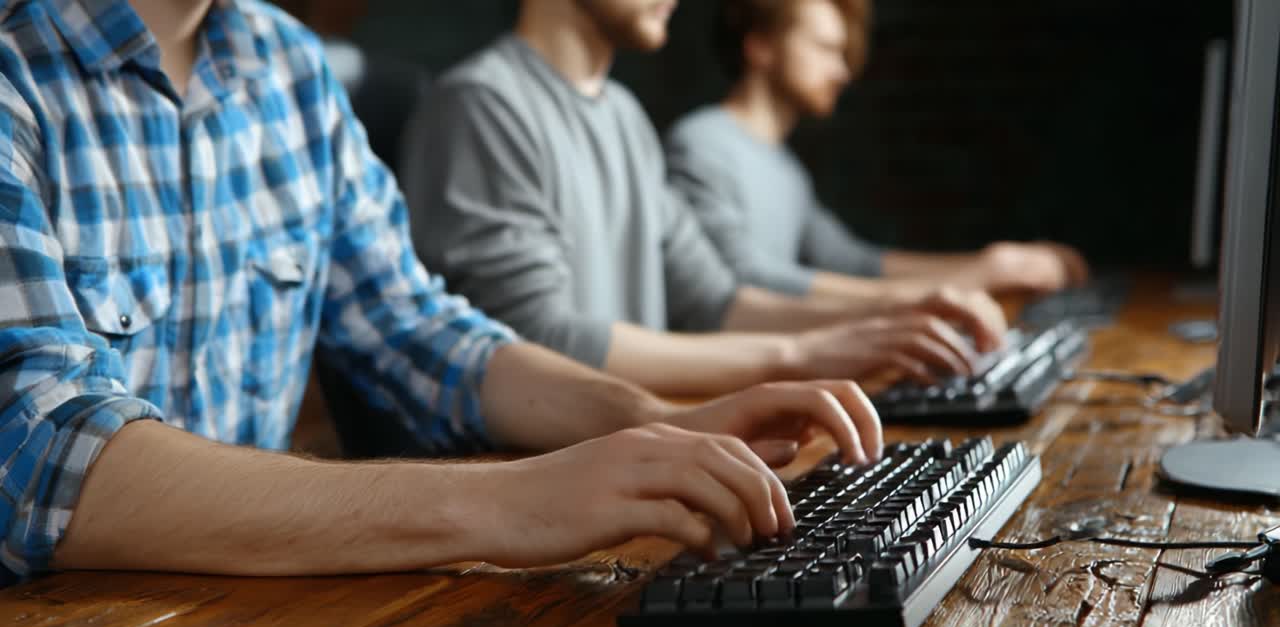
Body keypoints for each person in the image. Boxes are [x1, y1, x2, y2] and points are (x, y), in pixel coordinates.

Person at [0, 0, 889, 585]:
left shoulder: (287, 67)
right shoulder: (15, 70)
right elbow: (38, 453)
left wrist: (648, 418)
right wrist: (508, 502)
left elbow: (414, 327)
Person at [401, 0, 1012, 398]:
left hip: (627, 478)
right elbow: (538, 343)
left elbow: (716, 300)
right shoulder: (480, 104)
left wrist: (896, 313)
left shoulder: (624, 117)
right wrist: (799, 356)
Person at [665, 0, 1091, 301]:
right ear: (760, 45)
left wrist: (994, 264)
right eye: (825, 49)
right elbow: (743, 281)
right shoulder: (702, 144)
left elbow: (852, 262)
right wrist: (958, 285)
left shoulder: (784, 166)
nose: (843, 71)